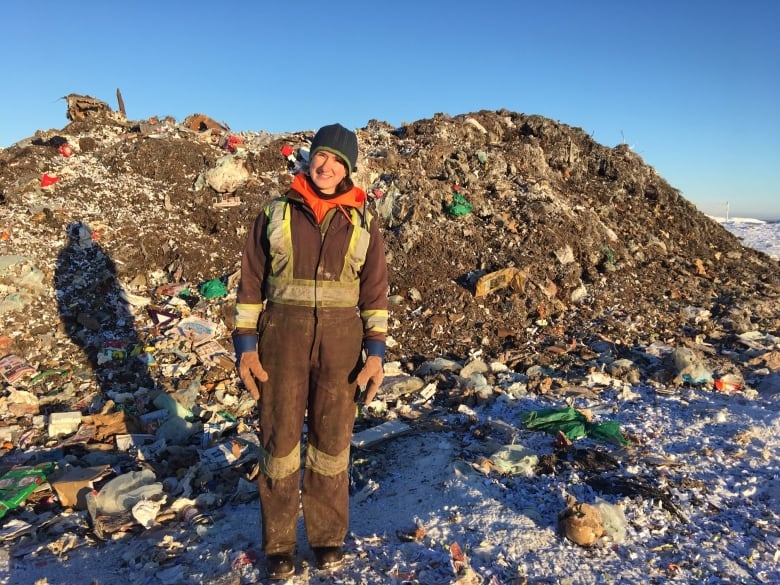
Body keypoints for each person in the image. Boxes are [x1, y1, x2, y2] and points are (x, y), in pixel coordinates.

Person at [232, 123, 388, 579]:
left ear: (349, 169)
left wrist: (375, 354)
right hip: (281, 337)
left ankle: (326, 538)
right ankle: (279, 544)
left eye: (338, 161)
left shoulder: (363, 221)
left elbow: (375, 293)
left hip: (342, 344)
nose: (326, 167)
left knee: (332, 444)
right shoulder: (275, 212)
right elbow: (249, 285)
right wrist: (245, 348)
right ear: (310, 158)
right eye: (322, 156)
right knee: (279, 442)